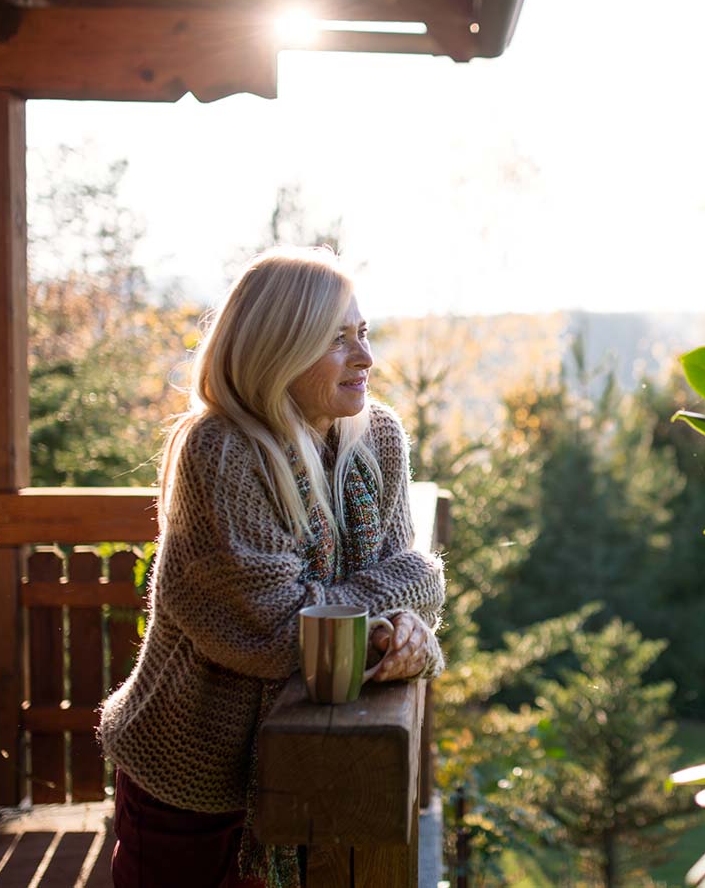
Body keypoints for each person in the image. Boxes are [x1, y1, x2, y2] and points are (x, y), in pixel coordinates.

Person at [97, 246, 446, 888]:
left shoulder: (378, 437)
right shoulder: (222, 450)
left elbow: (404, 591)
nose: (367, 358)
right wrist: (400, 607)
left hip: (315, 759)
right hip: (196, 775)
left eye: (363, 333)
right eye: (337, 340)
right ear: (277, 350)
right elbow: (277, 630)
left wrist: (401, 608)